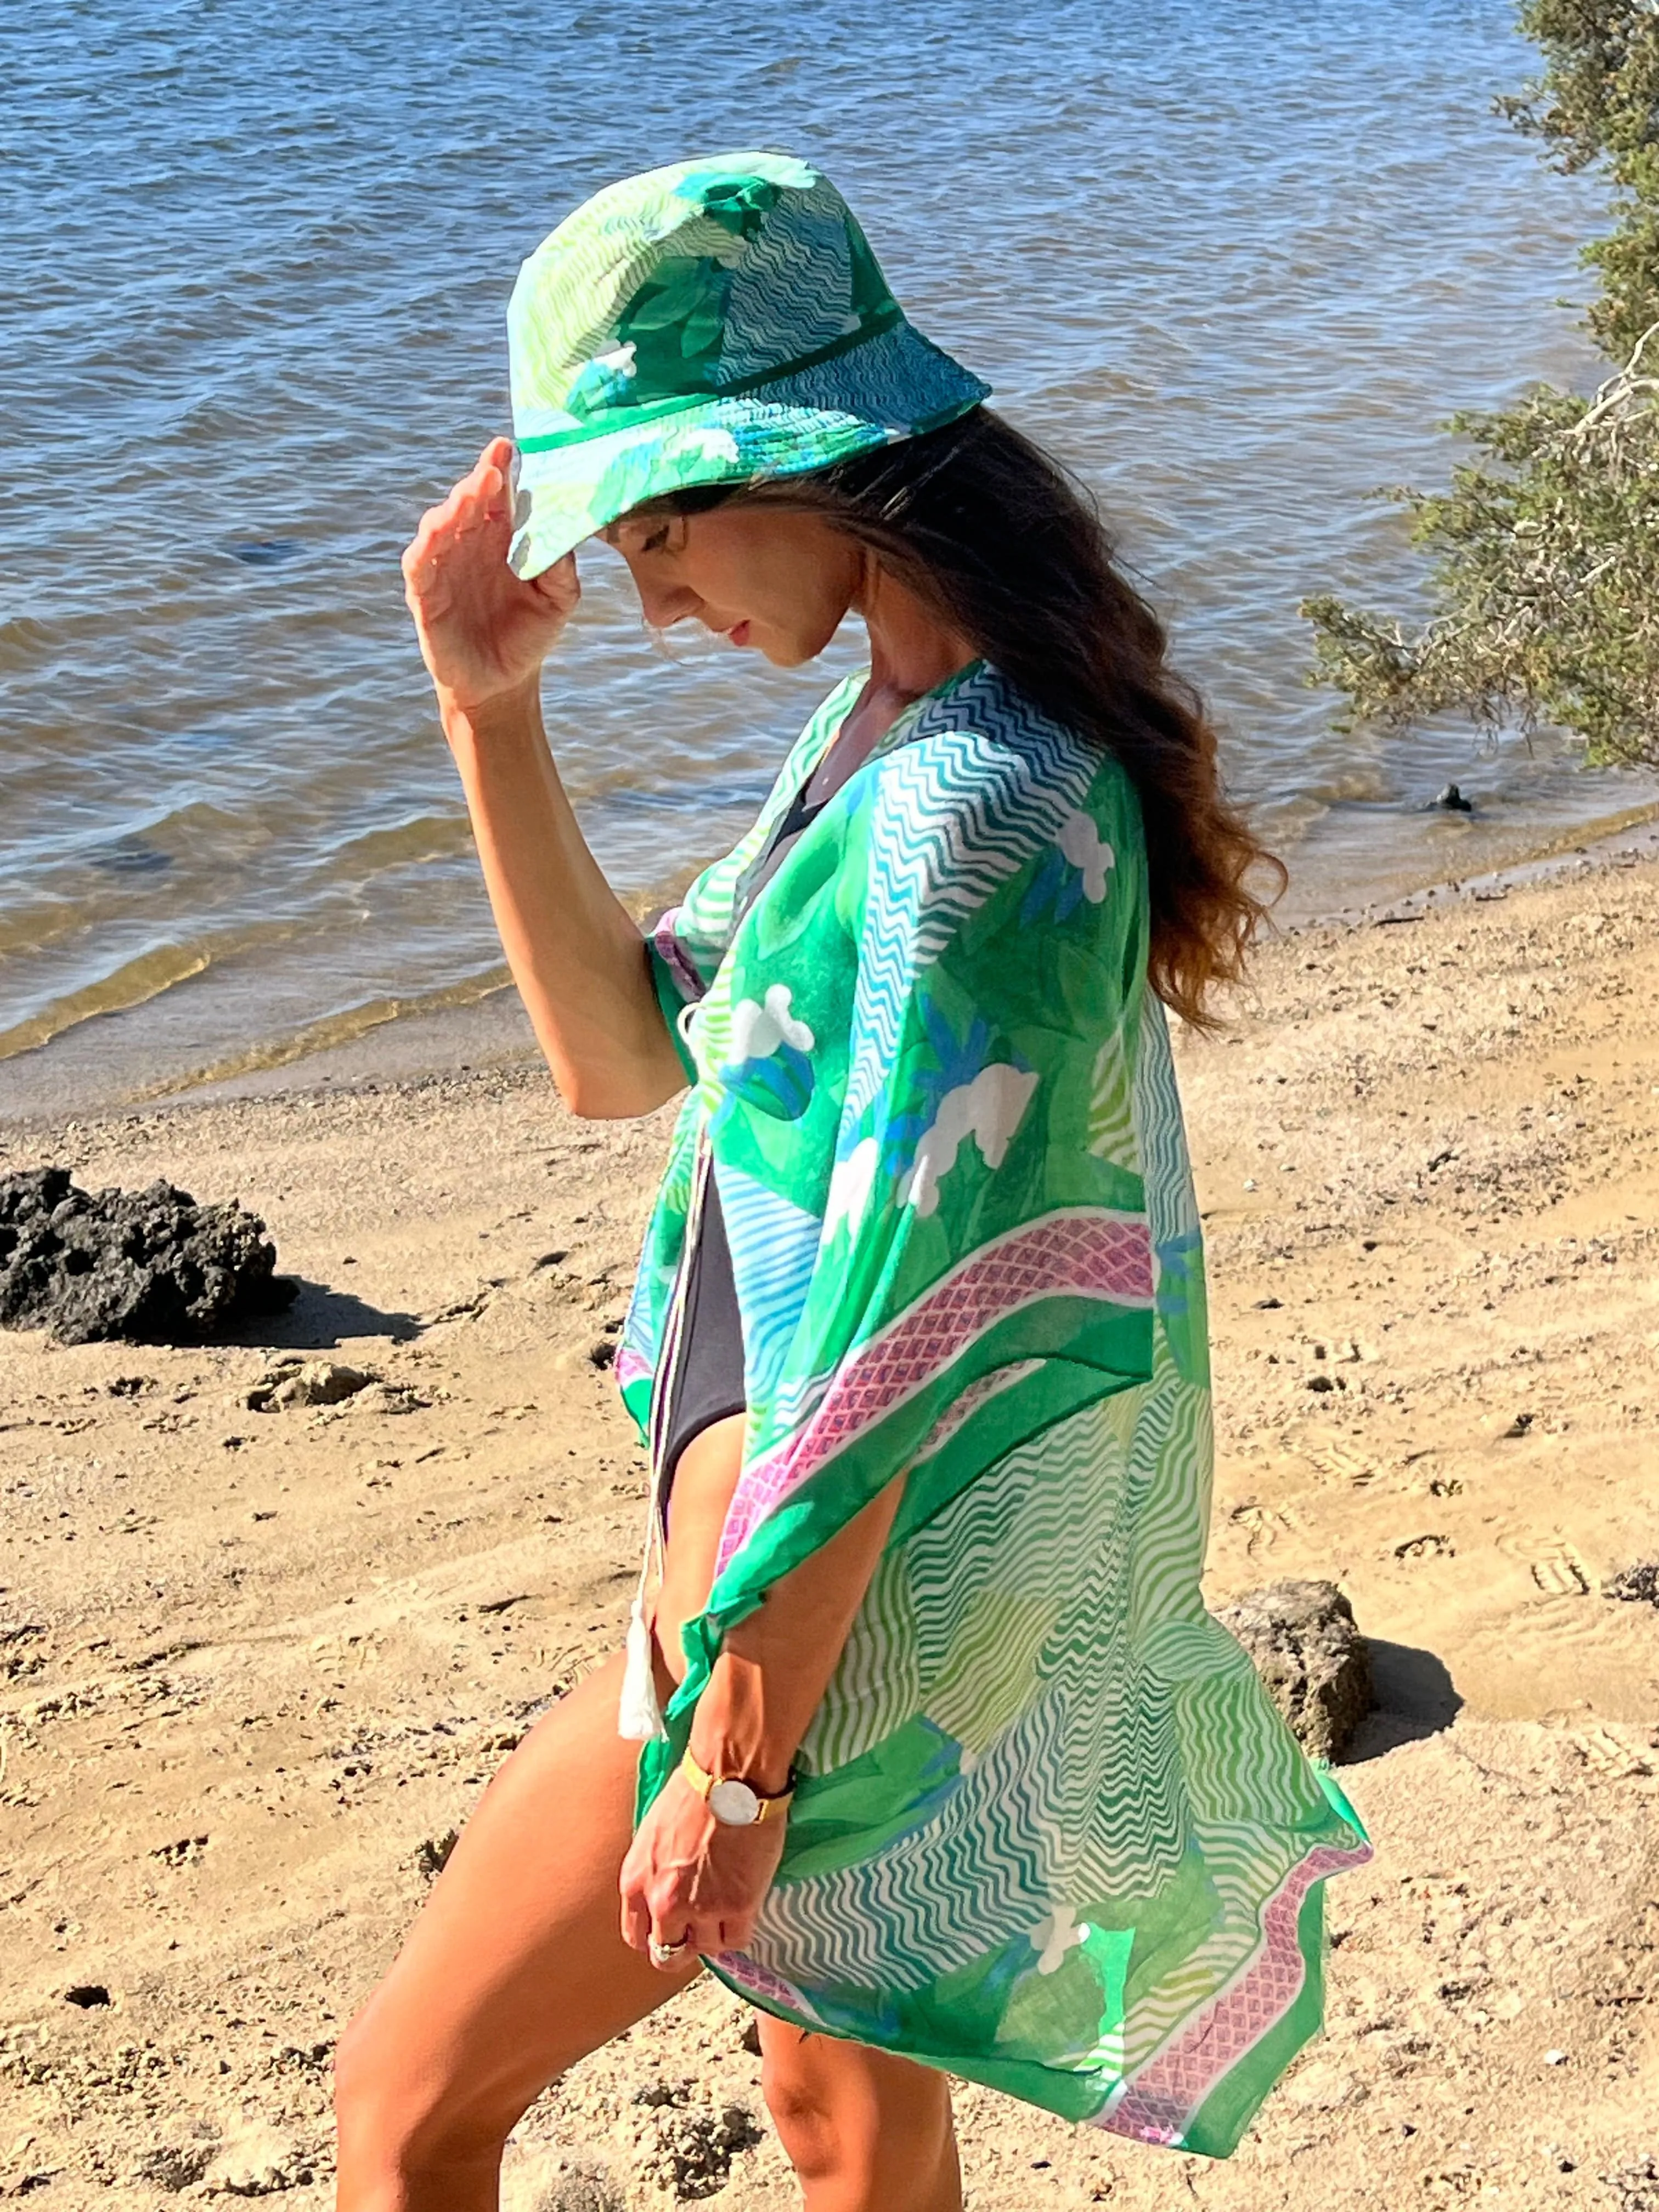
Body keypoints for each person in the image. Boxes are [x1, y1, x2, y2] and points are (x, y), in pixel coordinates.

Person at [334, 153, 1372, 2212]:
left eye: (660, 529)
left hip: (807, 1646)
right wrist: (482, 703)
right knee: (841, 2128)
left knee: (404, 2109)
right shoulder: (916, 729)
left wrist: (737, 1761)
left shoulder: (958, 821)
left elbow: (906, 1328)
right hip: (856, 1631)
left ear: (812, 465)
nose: (648, 599)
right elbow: (621, 1056)